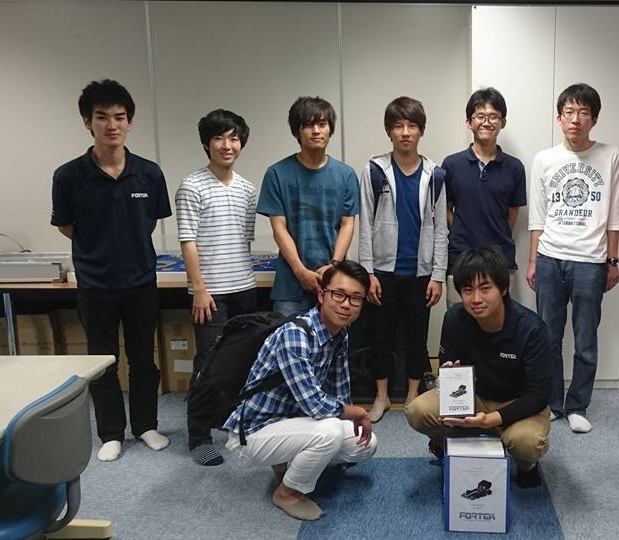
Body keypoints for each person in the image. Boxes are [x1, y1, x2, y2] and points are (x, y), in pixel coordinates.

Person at [51, 79, 171, 462]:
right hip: (95, 285)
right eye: (102, 117)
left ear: (130, 122)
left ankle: (146, 425)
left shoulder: (149, 173)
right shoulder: (68, 176)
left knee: (143, 358)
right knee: (102, 362)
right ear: (88, 122)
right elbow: (66, 225)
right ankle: (111, 433)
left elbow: (149, 221)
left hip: (140, 281)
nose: (112, 125)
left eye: (120, 117)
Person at [223, 261, 377, 521]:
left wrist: (350, 420)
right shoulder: (295, 334)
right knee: (330, 431)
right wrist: (358, 413)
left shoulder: (340, 334)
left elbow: (340, 389)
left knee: (365, 444)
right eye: (338, 294)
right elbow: (315, 404)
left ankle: (290, 462)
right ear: (322, 294)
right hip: (254, 431)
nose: (346, 304)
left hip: (292, 421)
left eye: (355, 298)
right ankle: (287, 493)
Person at [405, 247, 551, 488]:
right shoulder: (454, 318)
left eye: (485, 288)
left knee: (526, 442)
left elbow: (539, 395)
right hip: (474, 396)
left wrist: (491, 419)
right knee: (417, 410)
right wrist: (448, 374)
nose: (476, 299)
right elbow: (446, 369)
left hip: (519, 403)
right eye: (467, 290)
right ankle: (445, 445)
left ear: (503, 289)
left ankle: (527, 465)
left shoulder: (531, 329)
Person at [526, 83, 619, 433]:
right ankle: (553, 403)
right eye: (569, 112)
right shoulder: (544, 159)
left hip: (590, 261)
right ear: (559, 117)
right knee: (548, 337)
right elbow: (538, 216)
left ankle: (578, 405)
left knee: (585, 339)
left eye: (583, 113)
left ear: (593, 119)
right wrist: (534, 260)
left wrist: (613, 261)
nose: (575, 119)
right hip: (550, 257)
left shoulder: (610, 155)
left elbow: (614, 214)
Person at [175, 109, 257, 466]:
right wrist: (199, 289)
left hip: (244, 287)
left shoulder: (247, 189)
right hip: (210, 292)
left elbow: (244, 240)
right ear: (207, 143)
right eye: (219, 138)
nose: (227, 145)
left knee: (241, 360)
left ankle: (232, 422)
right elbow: (188, 241)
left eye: (234, 138)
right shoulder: (191, 186)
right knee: (208, 365)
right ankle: (199, 436)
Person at [358, 96, 448, 422]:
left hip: (420, 272)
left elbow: (441, 228)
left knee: (417, 337)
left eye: (412, 126)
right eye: (398, 126)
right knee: (380, 336)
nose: (405, 132)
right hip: (383, 270)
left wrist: (438, 274)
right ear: (389, 131)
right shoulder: (374, 171)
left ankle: (412, 394)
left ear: (422, 130)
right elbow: (365, 224)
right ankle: (381, 397)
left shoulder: (435, 174)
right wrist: (367, 272)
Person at [256, 96, 359, 317]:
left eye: (322, 124)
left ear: (330, 129)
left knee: (333, 339)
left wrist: (333, 265)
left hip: (335, 284)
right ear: (297, 131)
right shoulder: (277, 173)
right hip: (291, 286)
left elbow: (347, 224)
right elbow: (279, 228)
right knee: (289, 339)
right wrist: (300, 271)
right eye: (308, 125)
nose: (316, 131)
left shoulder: (346, 175)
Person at [441, 87, 526, 307]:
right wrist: (461, 228)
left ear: (502, 122)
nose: (486, 122)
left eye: (493, 116)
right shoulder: (451, 164)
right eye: (480, 116)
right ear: (469, 122)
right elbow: (445, 208)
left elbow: (512, 214)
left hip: (500, 260)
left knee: (498, 321)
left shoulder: (515, 167)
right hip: (460, 258)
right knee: (458, 319)